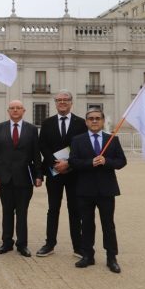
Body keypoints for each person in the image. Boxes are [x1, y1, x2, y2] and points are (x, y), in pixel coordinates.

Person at [69, 108, 127, 274]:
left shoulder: (112, 140)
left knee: (108, 225)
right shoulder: (77, 140)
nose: (94, 121)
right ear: (86, 122)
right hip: (85, 190)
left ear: (102, 121)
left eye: (97, 118)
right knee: (86, 224)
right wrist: (90, 162)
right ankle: (87, 255)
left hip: (106, 190)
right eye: (91, 119)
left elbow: (122, 161)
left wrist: (106, 161)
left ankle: (111, 257)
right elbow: (73, 162)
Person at [37, 90, 87, 258]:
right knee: (53, 209)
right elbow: (43, 146)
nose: (62, 102)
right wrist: (55, 163)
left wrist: (68, 164)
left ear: (71, 102)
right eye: (59, 100)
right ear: (55, 103)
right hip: (54, 172)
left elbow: (82, 147)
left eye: (66, 100)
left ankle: (78, 246)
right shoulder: (47, 122)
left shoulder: (81, 123)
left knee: (75, 210)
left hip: (74, 173)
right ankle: (50, 244)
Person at [0, 100, 43, 257]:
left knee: (22, 212)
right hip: (5, 178)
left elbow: (36, 154)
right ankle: (7, 243)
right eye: (12, 108)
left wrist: (39, 175)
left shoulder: (32, 129)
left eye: (18, 108)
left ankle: (22, 244)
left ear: (24, 110)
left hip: (24, 178)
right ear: (8, 111)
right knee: (7, 211)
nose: (15, 110)